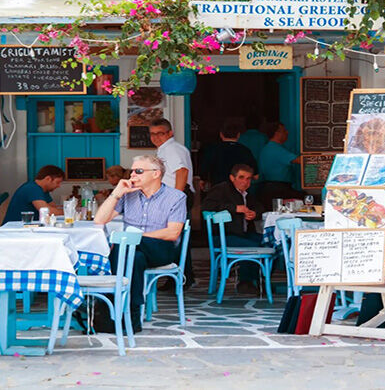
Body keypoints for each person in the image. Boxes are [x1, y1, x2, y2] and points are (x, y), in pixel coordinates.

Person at [93, 155, 187, 333]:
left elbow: (172, 232)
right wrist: (117, 193)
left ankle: (106, 311)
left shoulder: (176, 197)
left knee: (124, 243)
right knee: (134, 257)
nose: (132, 175)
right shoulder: (129, 195)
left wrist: (137, 237)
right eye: (132, 171)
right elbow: (99, 220)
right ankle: (132, 317)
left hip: (161, 249)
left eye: (138, 171)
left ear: (156, 174)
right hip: (133, 251)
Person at [202, 164, 265, 294]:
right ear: (232, 178)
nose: (245, 181)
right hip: (223, 236)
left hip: (244, 234)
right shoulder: (221, 189)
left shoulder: (248, 194)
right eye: (241, 177)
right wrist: (234, 208)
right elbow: (207, 206)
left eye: (248, 178)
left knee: (270, 244)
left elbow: (260, 207)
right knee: (252, 246)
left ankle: (260, 280)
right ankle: (245, 282)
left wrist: (254, 213)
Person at [150, 118, 196, 287]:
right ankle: (177, 277)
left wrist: (175, 197)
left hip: (176, 196)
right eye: (153, 134)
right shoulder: (163, 150)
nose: (156, 137)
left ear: (170, 133)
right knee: (174, 237)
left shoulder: (173, 149)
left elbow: (182, 172)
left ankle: (183, 277)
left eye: (160, 133)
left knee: (177, 238)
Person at [257, 122, 306, 209]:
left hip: (269, 188)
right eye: (284, 131)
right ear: (277, 133)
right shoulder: (276, 149)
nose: (287, 132)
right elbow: (301, 161)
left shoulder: (267, 148)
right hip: (278, 189)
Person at [199, 120, 259, 188]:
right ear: (238, 135)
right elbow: (255, 175)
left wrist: (203, 179)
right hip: (238, 189)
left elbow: (205, 167)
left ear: (221, 134)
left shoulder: (213, 149)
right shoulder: (245, 150)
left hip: (218, 187)